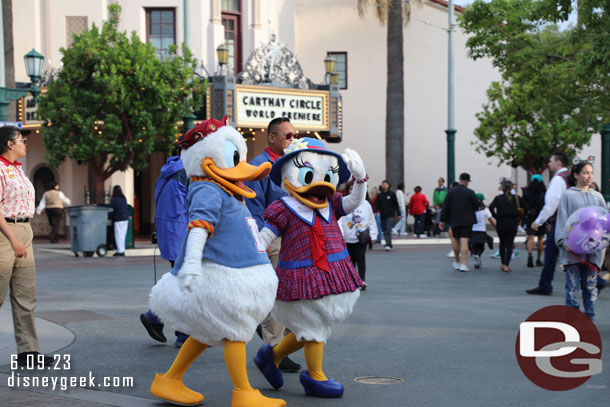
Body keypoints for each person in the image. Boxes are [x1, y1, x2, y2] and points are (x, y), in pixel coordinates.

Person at [243, 117, 301, 373]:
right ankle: (273, 346)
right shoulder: (260, 166)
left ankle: (285, 342)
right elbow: (254, 207)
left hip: (295, 237)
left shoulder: (294, 162)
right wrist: (260, 241)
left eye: (294, 135)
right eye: (287, 136)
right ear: (272, 137)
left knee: (294, 291)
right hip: (274, 235)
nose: (292, 139)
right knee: (276, 293)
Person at [0, 126, 52, 366]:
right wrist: (12, 238)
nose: (25, 143)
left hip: (24, 231)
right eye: (21, 139)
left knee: (25, 296)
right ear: (9, 144)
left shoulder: (19, 171)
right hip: (5, 234)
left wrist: (22, 237)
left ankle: (28, 352)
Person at [140, 155, 189, 347]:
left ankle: (157, 318)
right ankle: (181, 332)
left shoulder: (169, 170)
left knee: (182, 282)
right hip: (182, 232)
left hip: (170, 232)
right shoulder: (188, 171)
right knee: (186, 285)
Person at [555, 160, 606, 320]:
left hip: (593, 252)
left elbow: (604, 221)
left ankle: (589, 317)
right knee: (572, 286)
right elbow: (562, 220)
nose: (589, 176)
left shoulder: (597, 197)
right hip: (572, 252)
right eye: (585, 172)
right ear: (576, 175)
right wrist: (564, 242)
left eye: (591, 173)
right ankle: (572, 318)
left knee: (590, 286)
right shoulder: (568, 195)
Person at [526, 152, 570, 295]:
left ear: (558, 162)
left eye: (550, 161)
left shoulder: (558, 179)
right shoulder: (569, 176)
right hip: (570, 220)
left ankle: (545, 285)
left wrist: (538, 221)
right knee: (568, 253)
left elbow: (552, 204)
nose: (548, 163)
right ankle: (545, 284)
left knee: (551, 252)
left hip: (560, 221)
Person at [339, 181, 378, 289]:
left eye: (355, 189)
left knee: (360, 259)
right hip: (347, 238)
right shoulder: (343, 202)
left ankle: (362, 279)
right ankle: (351, 280)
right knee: (350, 261)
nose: (353, 191)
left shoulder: (366, 204)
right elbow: (340, 220)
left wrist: (374, 235)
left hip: (361, 238)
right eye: (351, 189)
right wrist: (340, 235)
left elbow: (371, 221)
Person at [439, 173, 478, 272]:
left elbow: (445, 207)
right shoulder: (470, 192)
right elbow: (476, 206)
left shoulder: (451, 192)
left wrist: (442, 220)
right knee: (464, 241)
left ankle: (457, 262)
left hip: (454, 220)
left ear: (460, 180)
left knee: (455, 240)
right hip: (467, 220)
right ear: (467, 181)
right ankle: (463, 264)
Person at [489, 180, 521, 272]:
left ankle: (503, 263)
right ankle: (507, 264)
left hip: (501, 222)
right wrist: (519, 217)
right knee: (510, 243)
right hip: (512, 222)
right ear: (511, 188)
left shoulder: (498, 198)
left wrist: (496, 216)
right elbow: (524, 207)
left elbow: (491, 207)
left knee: (502, 243)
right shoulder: (516, 198)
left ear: (502, 188)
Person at [522, 174, 546, 267]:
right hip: (541, 217)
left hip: (530, 217)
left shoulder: (527, 192)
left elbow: (523, 205)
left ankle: (530, 255)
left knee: (530, 237)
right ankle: (538, 259)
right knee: (540, 239)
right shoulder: (544, 192)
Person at [469, 193, 495, 269]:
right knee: (481, 247)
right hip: (481, 231)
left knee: (475, 247)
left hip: (472, 231)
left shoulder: (471, 209)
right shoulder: (485, 210)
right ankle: (478, 256)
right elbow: (491, 220)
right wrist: (496, 227)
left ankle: (477, 262)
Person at [373, 180, 400, 251]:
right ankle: (388, 243)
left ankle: (388, 244)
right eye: (383, 184)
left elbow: (396, 205)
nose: (384, 185)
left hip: (390, 215)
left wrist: (399, 214)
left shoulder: (392, 194)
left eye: (385, 184)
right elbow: (376, 204)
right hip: (382, 215)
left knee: (388, 229)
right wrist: (374, 212)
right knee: (384, 230)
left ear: (389, 185)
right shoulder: (379, 195)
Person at [109, 185, 129, 257]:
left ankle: (120, 251)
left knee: (118, 236)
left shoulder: (114, 199)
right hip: (125, 218)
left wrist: (110, 217)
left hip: (118, 219)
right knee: (123, 236)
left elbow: (111, 210)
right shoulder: (123, 198)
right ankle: (122, 250)